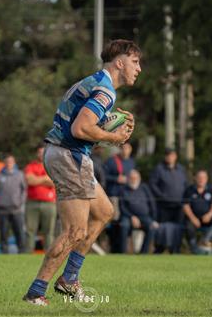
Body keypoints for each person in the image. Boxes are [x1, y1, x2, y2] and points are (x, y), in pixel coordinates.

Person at [23, 39, 140, 306]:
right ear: (119, 63)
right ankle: (36, 292)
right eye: (135, 62)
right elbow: (79, 129)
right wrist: (113, 137)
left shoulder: (94, 82)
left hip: (65, 153)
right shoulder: (105, 91)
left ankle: (69, 279)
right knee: (75, 231)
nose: (139, 68)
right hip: (68, 156)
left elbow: (81, 126)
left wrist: (107, 127)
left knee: (104, 212)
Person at [149, 147, 188, 253]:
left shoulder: (181, 169)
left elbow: (185, 184)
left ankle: (175, 250)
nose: (170, 157)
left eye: (172, 155)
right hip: (164, 206)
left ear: (175, 157)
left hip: (178, 205)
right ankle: (159, 249)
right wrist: (161, 196)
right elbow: (152, 185)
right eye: (168, 155)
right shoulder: (159, 169)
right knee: (162, 229)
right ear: (165, 157)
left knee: (177, 229)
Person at [0, 155, 27, 253]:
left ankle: (22, 252)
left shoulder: (20, 175)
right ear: (4, 163)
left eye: (11, 161)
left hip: (16, 209)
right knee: (3, 233)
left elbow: (24, 190)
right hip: (2, 210)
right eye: (7, 161)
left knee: (19, 232)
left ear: (14, 163)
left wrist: (20, 202)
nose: (9, 163)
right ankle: (4, 252)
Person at [24, 144, 56, 253]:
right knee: (30, 230)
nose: (41, 155)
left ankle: (49, 254)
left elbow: (54, 182)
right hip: (32, 203)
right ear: (36, 154)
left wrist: (37, 179)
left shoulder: (52, 165)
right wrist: (45, 179)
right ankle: (28, 253)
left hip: (49, 203)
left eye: (43, 152)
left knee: (49, 231)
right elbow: (29, 181)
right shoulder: (30, 166)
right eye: (39, 152)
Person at [118, 170, 157, 254]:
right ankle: (123, 253)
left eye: (135, 178)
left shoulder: (144, 188)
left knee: (151, 227)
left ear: (139, 179)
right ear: (128, 179)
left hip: (144, 216)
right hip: (128, 216)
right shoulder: (123, 190)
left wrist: (153, 219)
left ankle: (143, 253)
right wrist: (132, 216)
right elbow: (122, 207)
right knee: (123, 226)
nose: (133, 180)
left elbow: (152, 203)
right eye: (131, 178)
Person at [182, 170, 212, 254]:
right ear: (195, 178)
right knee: (188, 227)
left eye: (203, 178)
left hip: (207, 218)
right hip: (193, 218)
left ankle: (205, 240)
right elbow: (185, 206)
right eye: (199, 178)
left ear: (207, 179)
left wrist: (209, 215)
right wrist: (193, 218)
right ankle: (195, 250)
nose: (201, 180)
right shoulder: (189, 190)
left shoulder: (211, 190)